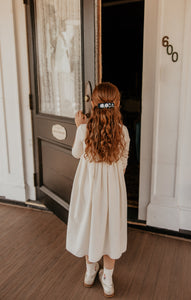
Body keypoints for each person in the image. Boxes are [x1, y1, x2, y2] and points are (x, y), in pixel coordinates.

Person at [66, 82, 130, 297]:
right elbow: (123, 164)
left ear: (93, 104)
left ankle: (90, 272)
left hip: (88, 189)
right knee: (110, 230)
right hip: (113, 191)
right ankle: (108, 279)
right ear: (118, 104)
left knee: (90, 226)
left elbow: (76, 154)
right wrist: (112, 180)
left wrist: (78, 127)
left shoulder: (84, 129)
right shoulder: (123, 132)